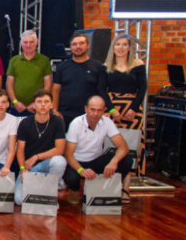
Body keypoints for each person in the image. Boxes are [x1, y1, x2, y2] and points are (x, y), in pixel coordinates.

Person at [63, 96, 134, 204]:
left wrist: (113, 162)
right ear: (86, 109)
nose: (95, 113)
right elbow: (68, 155)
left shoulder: (107, 122)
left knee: (127, 160)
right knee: (70, 178)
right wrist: (81, 170)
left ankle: (105, 188)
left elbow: (123, 147)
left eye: (99, 110)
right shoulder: (76, 123)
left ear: (104, 110)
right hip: (77, 162)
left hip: (96, 161)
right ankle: (75, 190)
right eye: (92, 109)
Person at [105, 34, 147, 195]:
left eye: (124, 44)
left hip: (133, 110)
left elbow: (142, 89)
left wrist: (133, 109)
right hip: (112, 109)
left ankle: (126, 187)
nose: (121, 48)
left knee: (131, 147)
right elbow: (102, 90)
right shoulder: (106, 66)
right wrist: (111, 110)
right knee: (110, 147)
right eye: (118, 44)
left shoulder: (137, 65)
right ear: (113, 47)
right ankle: (110, 186)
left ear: (129, 47)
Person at [14, 90, 67, 205]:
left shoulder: (58, 122)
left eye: (46, 101)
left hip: (47, 164)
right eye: (39, 102)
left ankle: (49, 195)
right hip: (29, 168)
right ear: (33, 105)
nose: (43, 105)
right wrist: (23, 169)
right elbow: (20, 150)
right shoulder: (25, 123)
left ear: (52, 105)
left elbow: (60, 149)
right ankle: (38, 190)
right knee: (19, 200)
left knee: (59, 161)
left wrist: (36, 157)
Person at [52, 33, 115, 129]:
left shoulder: (99, 67)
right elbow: (55, 90)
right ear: (71, 47)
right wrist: (55, 110)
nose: (78, 47)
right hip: (65, 115)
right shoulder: (62, 67)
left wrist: (105, 111)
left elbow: (102, 91)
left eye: (81, 43)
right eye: (74, 44)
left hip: (90, 116)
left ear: (88, 45)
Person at [6, 30, 52, 117]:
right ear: (21, 43)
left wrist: (37, 103)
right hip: (16, 108)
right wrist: (15, 102)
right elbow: (9, 84)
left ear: (37, 42)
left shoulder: (44, 60)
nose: (28, 45)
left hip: (38, 108)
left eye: (31, 42)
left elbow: (48, 85)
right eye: (25, 42)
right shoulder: (14, 60)